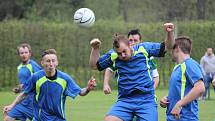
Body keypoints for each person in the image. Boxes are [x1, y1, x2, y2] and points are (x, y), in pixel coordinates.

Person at [89, 23, 174, 121]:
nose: (123, 55)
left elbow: (168, 47)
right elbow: (94, 65)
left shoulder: (144, 48)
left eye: (124, 51)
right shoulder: (113, 55)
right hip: (125, 100)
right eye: (119, 53)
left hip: (146, 100)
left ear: (130, 45)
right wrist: (95, 49)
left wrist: (169, 33)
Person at [3, 48, 96, 121]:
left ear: (57, 62)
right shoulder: (36, 77)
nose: (51, 64)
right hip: (39, 119)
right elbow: (24, 94)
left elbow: (81, 92)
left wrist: (88, 88)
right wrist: (12, 105)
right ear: (42, 63)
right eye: (48, 61)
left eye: (53, 60)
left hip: (58, 119)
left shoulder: (65, 79)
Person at [160, 36, 205, 121]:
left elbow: (200, 87)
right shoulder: (178, 67)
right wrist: (167, 99)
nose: (170, 52)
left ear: (177, 48)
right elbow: (182, 91)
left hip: (185, 118)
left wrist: (179, 105)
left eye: (172, 48)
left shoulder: (189, 64)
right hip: (173, 118)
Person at [103, 29, 160, 95]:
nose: (133, 43)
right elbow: (109, 69)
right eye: (130, 40)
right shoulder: (120, 56)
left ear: (140, 42)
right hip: (126, 97)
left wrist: (149, 92)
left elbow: (156, 77)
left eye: (135, 40)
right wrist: (105, 84)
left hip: (145, 98)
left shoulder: (148, 56)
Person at [3, 43, 42, 121]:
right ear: (19, 54)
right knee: (7, 119)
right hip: (22, 102)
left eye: (26, 52)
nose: (24, 55)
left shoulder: (34, 66)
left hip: (33, 103)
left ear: (30, 53)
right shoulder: (19, 67)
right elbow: (23, 84)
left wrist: (25, 86)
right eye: (22, 53)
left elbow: (40, 82)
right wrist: (19, 89)